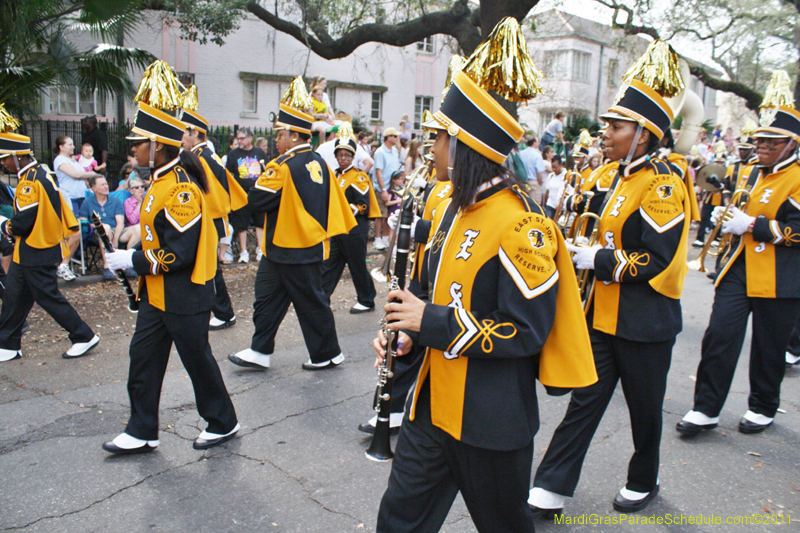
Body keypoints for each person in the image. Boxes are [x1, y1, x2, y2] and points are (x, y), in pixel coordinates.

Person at [373, 22, 596, 528]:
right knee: (397, 522)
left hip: (489, 423)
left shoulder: (525, 226)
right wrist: (407, 339)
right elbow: (433, 297)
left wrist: (429, 322)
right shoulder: (454, 209)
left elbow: (524, 331)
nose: (430, 148)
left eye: (439, 138)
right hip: (431, 408)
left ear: (465, 145)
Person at [529, 40, 692, 517]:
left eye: (616, 126)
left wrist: (597, 260)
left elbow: (655, 260)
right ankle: (551, 486)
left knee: (644, 412)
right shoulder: (614, 175)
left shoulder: (663, 183)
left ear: (643, 134)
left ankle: (644, 478)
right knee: (585, 402)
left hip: (645, 321)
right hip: (602, 316)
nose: (605, 132)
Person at [101, 98, 239, 455]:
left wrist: (132, 259)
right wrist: (136, 235)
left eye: (138, 143)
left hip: (183, 293)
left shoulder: (180, 187)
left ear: (157, 145)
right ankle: (142, 428)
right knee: (143, 359)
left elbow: (180, 253)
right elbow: (160, 231)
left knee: (197, 362)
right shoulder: (160, 181)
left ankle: (223, 421)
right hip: (157, 293)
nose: (132, 149)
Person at [677, 71, 800, 437]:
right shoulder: (748, 173)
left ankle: (763, 406)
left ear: (792, 144)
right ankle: (705, 408)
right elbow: (739, 207)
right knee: (719, 338)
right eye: (760, 138)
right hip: (737, 268)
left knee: (768, 348)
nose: (761, 144)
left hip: (780, 276)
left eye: (771, 141)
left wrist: (751, 225)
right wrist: (724, 215)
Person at [227, 77, 356, 372]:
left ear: (291, 135)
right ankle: (260, 350)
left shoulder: (282, 165)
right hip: (295, 246)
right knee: (268, 296)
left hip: (291, 246)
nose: (275, 139)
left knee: (310, 302)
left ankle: (327, 353)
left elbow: (258, 199)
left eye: (279, 133)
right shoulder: (319, 162)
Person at [0, 130, 98, 362]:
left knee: (47, 297)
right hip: (32, 248)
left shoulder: (30, 181)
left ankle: (83, 335)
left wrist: (5, 226)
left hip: (37, 248)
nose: (3, 163)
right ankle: (7, 344)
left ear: (16, 156)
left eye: (4, 158)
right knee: (15, 296)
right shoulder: (38, 173)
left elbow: (24, 221)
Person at [181, 107, 248, 331]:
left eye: (184, 132)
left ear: (195, 133)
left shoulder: (200, 157)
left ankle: (223, 313)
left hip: (209, 219)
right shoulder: (207, 155)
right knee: (210, 269)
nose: (182, 138)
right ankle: (221, 311)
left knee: (211, 270)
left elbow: (211, 193)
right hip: (214, 218)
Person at [321, 133, 381, 314]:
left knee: (357, 266)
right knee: (331, 265)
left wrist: (344, 208)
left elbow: (364, 206)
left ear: (353, 157)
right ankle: (322, 298)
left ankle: (367, 300)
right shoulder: (335, 175)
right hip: (338, 228)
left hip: (355, 229)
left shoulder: (358, 177)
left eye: (347, 155)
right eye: (340, 155)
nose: (343, 159)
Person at [52, 135, 100, 281]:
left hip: (82, 197)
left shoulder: (74, 160)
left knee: (84, 229)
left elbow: (82, 176)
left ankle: (70, 261)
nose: (73, 147)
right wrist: (92, 173)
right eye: (69, 144)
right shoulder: (60, 160)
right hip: (70, 199)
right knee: (74, 231)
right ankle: (63, 264)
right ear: (61, 147)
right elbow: (76, 174)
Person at [225, 127, 265, 263]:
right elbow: (229, 174)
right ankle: (243, 252)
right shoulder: (233, 154)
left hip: (257, 193)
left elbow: (265, 171)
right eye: (238, 138)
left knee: (260, 222)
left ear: (250, 138)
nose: (239, 141)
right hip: (241, 194)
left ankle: (260, 249)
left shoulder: (259, 152)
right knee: (240, 224)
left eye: (242, 138)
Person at [78, 176, 129, 280]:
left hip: (116, 231)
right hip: (96, 232)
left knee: (137, 229)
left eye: (106, 184)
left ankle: (126, 264)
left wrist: (115, 239)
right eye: (102, 185)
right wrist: (96, 225)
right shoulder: (87, 202)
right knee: (104, 228)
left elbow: (120, 222)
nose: (106, 186)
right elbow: (83, 222)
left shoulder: (116, 201)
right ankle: (108, 266)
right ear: (94, 188)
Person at [372, 127, 401, 250]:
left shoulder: (394, 151)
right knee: (380, 215)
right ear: (388, 137)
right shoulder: (379, 152)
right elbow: (378, 172)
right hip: (382, 187)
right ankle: (377, 239)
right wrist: (383, 189)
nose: (397, 138)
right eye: (395, 136)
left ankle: (384, 238)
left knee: (389, 214)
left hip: (392, 186)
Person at [118, 175, 144, 250]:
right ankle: (130, 256)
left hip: (147, 227)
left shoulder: (149, 199)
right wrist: (140, 203)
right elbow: (133, 220)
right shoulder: (128, 202)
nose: (140, 189)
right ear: (131, 191)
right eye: (136, 187)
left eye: (142, 186)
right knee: (139, 228)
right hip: (133, 228)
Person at [542, 155, 569, 219]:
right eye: (552, 167)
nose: (554, 169)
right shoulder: (551, 176)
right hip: (550, 204)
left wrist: (561, 205)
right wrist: (544, 204)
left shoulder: (566, 176)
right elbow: (547, 191)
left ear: (561, 165)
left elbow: (568, 192)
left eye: (556, 167)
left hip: (561, 207)